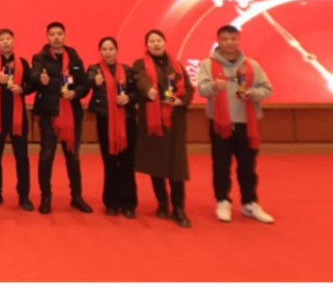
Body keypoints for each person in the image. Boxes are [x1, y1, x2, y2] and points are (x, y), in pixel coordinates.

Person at [197, 24, 275, 224]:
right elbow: (202, 89)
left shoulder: (252, 65)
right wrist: (214, 86)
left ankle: (250, 203)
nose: (229, 43)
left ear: (238, 40)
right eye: (225, 39)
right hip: (219, 123)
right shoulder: (208, 64)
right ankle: (223, 201)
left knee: (248, 166)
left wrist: (253, 93)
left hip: (246, 123)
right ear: (218, 41)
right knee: (221, 165)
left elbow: (267, 89)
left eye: (233, 39)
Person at [132, 29, 194, 228]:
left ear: (165, 42)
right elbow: (140, 79)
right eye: (152, 41)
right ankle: (162, 203)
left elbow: (189, 88)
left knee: (177, 166)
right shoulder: (140, 64)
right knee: (156, 164)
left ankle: (179, 208)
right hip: (153, 120)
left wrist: (180, 101)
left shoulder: (177, 65)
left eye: (159, 40)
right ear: (147, 46)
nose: (156, 44)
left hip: (175, 121)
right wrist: (149, 90)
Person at [30, 22, 92, 214]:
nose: (56, 37)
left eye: (59, 34)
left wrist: (76, 93)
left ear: (64, 36)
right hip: (49, 113)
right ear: (47, 37)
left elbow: (84, 84)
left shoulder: (74, 58)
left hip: (71, 113)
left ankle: (77, 197)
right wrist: (40, 79)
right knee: (46, 156)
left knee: (73, 157)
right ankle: (45, 197)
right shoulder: (40, 57)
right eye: (52, 34)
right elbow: (33, 75)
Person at [0, 28, 35, 211]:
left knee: (22, 158)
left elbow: (32, 84)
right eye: (1, 40)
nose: (5, 42)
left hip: (18, 118)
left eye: (8, 39)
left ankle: (24, 196)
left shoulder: (23, 63)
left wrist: (22, 89)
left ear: (13, 41)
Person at [86, 36, 139, 218]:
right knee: (109, 163)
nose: (108, 52)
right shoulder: (94, 70)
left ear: (116, 51)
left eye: (111, 49)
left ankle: (129, 204)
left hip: (127, 121)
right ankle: (111, 202)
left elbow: (137, 92)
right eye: (104, 49)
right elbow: (87, 80)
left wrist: (129, 98)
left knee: (127, 163)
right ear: (100, 52)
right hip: (105, 121)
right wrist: (95, 81)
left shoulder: (127, 70)